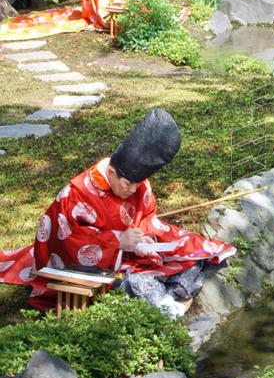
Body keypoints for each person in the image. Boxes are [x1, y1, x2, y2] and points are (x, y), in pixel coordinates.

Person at [0, 108, 236, 314]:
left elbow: (147, 218)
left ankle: (168, 294)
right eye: (127, 184)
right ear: (112, 172)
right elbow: (68, 242)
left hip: (130, 255)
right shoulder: (76, 195)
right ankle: (165, 299)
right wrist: (117, 241)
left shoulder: (137, 183)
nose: (132, 189)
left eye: (137, 183)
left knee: (193, 251)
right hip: (87, 264)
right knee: (138, 286)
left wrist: (144, 237)